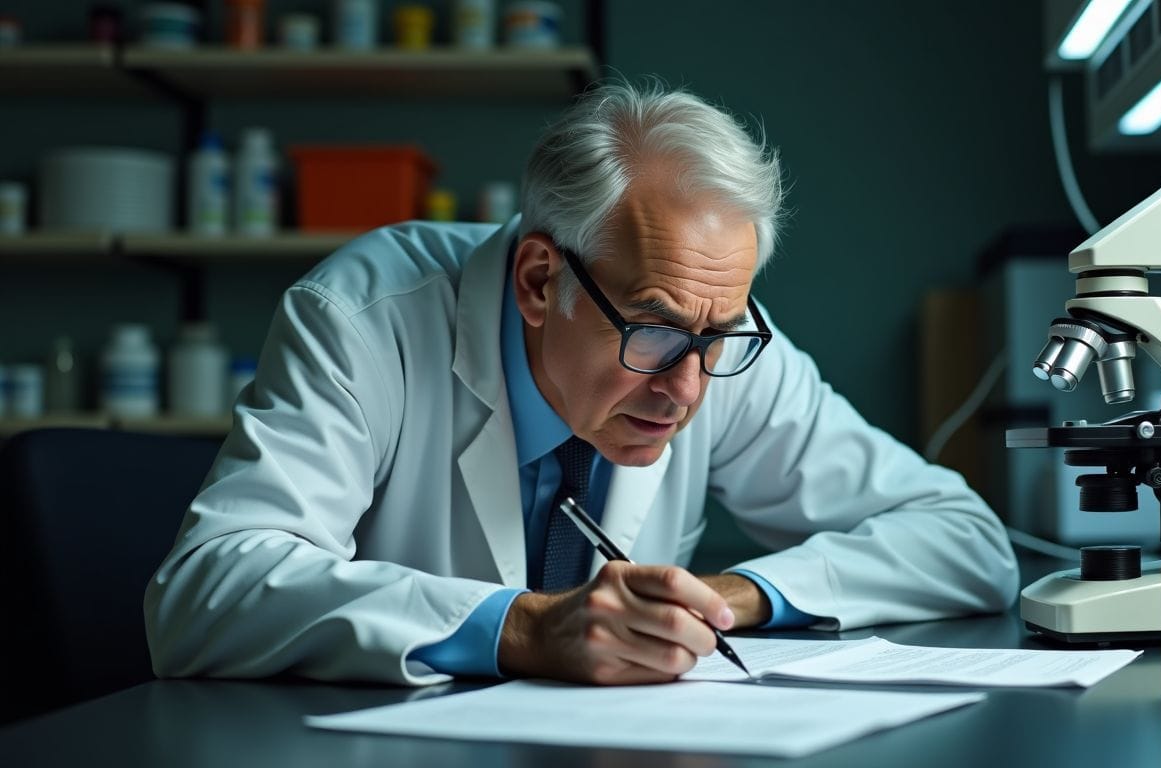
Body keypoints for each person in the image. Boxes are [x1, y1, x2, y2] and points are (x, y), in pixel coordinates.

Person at [145, 80, 1019, 687]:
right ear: (537, 281)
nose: (688, 390)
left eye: (717, 338)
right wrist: (524, 628)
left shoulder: (713, 331)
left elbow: (966, 543)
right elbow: (203, 594)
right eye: (652, 331)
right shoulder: (367, 318)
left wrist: (724, 600)